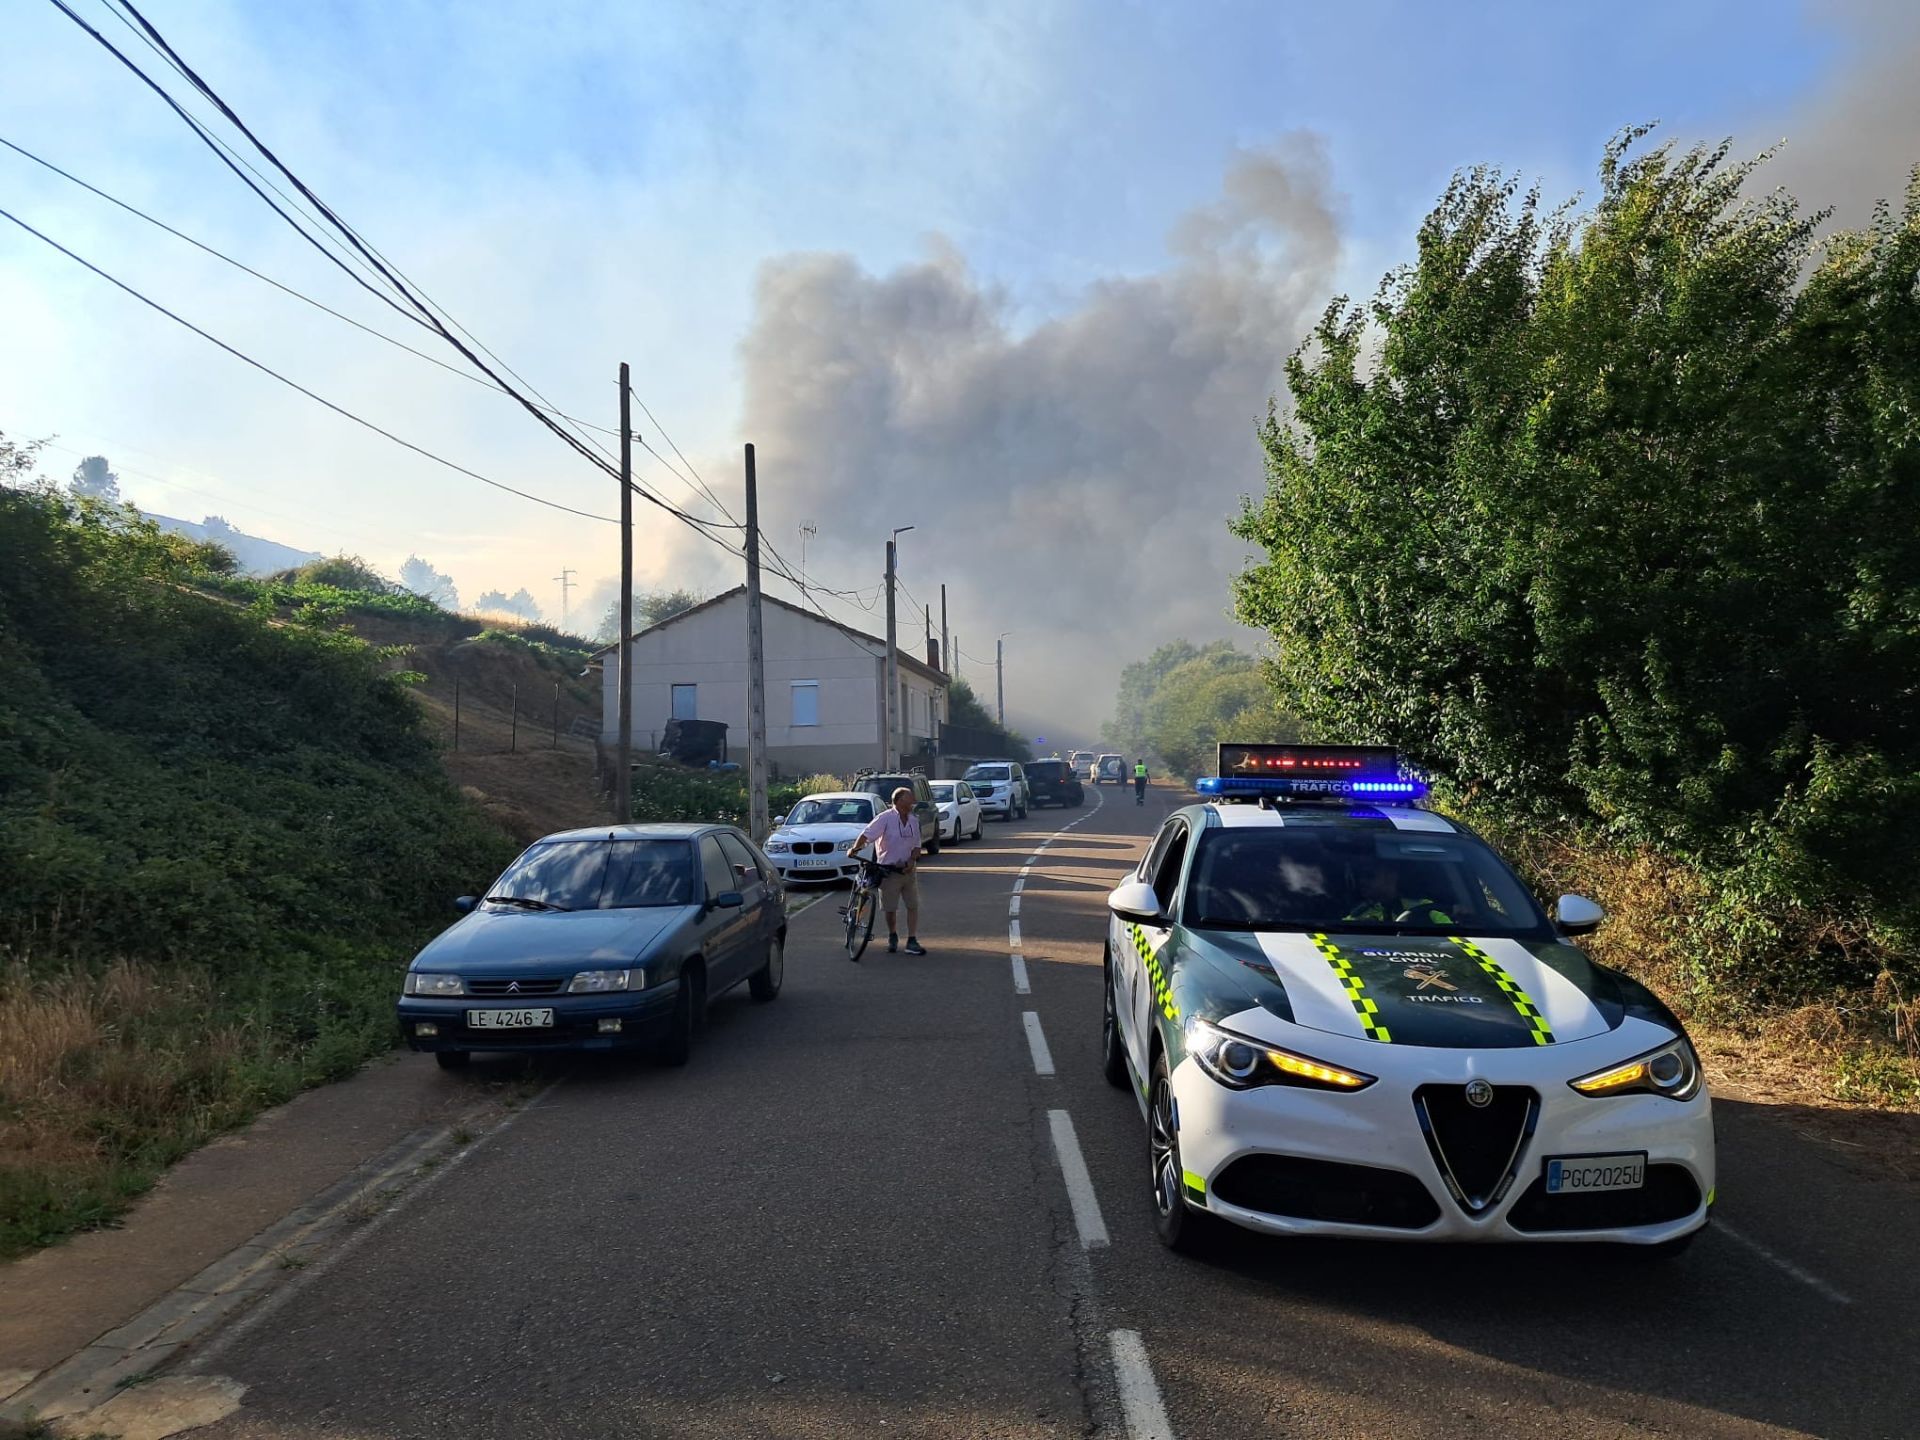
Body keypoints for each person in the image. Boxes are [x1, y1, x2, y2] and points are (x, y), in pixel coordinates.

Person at [848, 786, 927, 955]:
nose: (913, 801)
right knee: (890, 908)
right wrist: (855, 849)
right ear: (899, 801)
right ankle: (893, 935)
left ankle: (912, 940)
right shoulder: (884, 819)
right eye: (909, 799)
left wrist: (912, 861)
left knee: (913, 905)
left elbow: (917, 846)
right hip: (889, 871)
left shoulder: (913, 820)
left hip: (908, 871)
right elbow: (867, 835)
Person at [1343, 856, 1453, 926]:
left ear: (1392, 876)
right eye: (1358, 876)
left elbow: (1453, 937)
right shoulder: (1359, 914)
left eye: (1369, 875)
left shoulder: (1425, 910)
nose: (1362, 881)